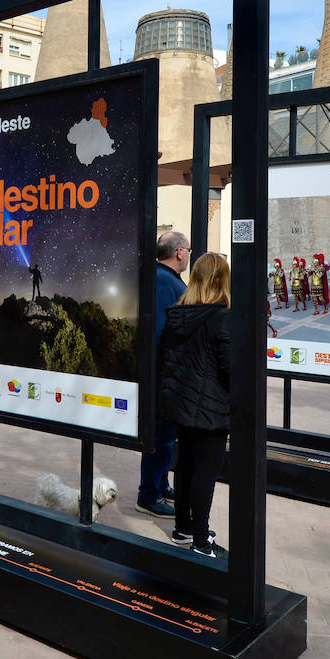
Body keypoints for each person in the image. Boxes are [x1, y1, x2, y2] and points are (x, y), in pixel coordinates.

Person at [158, 252, 232, 558]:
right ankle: (201, 541)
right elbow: (230, 367)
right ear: (221, 280)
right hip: (211, 408)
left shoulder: (177, 314)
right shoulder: (221, 317)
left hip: (181, 405)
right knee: (205, 471)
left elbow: (166, 357)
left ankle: (182, 528)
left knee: (186, 464)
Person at [137, 230, 188, 518]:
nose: (188, 255)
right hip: (163, 375)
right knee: (161, 436)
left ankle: (160, 484)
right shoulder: (166, 283)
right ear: (179, 252)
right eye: (188, 250)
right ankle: (149, 494)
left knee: (166, 434)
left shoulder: (160, 278)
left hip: (163, 373)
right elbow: (161, 333)